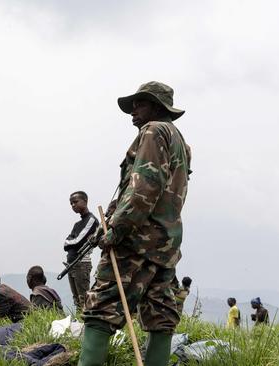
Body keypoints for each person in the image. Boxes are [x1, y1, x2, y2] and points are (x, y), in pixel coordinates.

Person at [79, 81, 192, 366]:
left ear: (155, 106)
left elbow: (145, 187)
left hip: (136, 240)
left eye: (139, 104)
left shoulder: (153, 132)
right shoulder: (180, 141)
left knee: (101, 308)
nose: (132, 111)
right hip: (165, 244)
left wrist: (117, 228)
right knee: (161, 316)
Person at [64, 191, 99, 312]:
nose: (73, 205)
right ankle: (80, 325)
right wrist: (69, 242)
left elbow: (77, 241)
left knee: (84, 298)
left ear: (85, 201)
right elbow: (68, 242)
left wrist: (69, 242)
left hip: (81, 263)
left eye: (75, 202)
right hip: (71, 264)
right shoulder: (77, 224)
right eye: (71, 203)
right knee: (77, 300)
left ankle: (88, 323)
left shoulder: (91, 220)